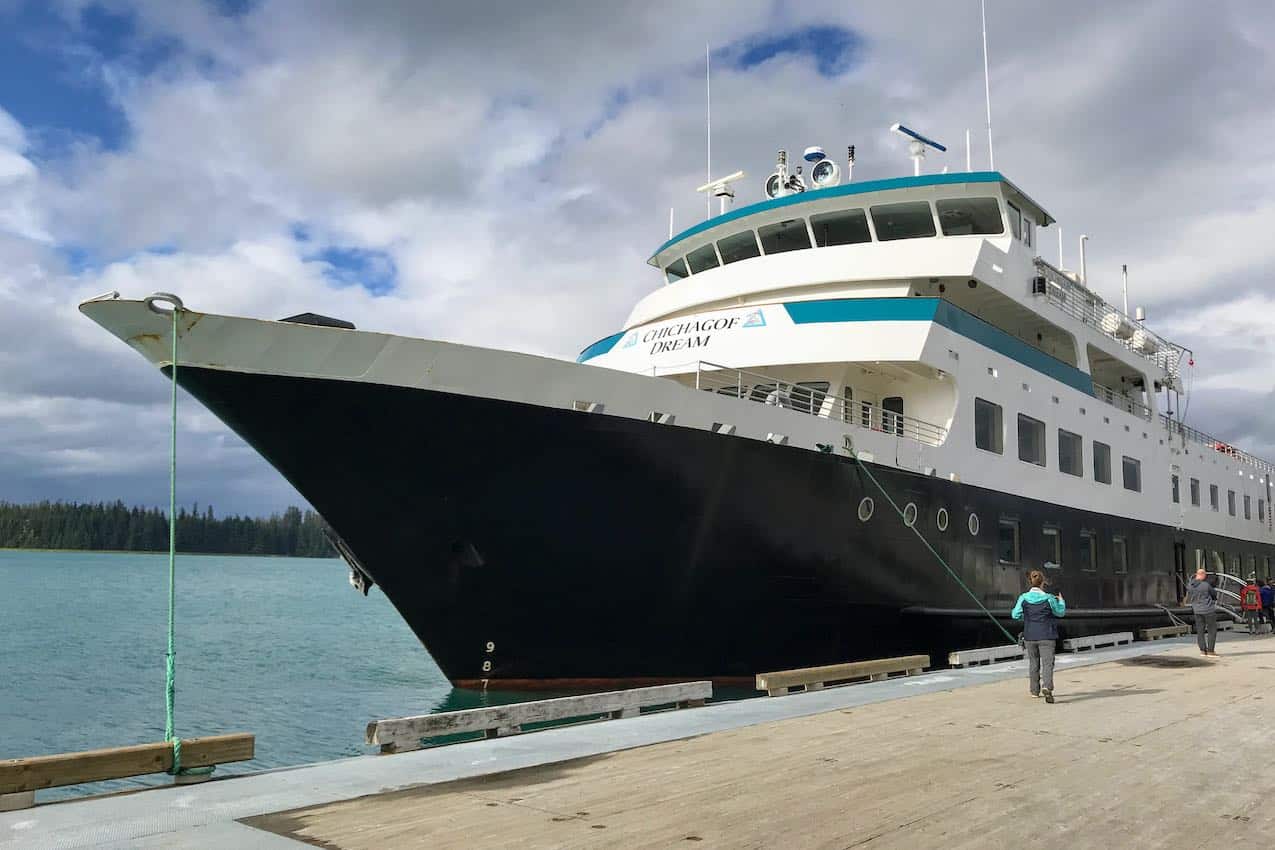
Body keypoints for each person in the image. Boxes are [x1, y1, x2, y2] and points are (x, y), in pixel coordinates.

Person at [1011, 570, 1066, 703]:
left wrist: (1028, 617)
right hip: (1047, 635)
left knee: (1033, 663)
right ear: (1042, 583)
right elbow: (1060, 613)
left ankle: (1034, 691)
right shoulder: (1049, 598)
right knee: (1047, 664)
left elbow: (1015, 615)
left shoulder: (1023, 598)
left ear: (1031, 582)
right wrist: (1062, 602)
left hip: (1030, 635)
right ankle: (1047, 687)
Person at [1183, 568, 1220, 655]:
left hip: (1197, 611)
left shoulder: (1190, 586)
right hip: (1208, 610)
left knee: (1200, 631)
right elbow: (1214, 594)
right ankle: (1211, 651)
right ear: (1203, 575)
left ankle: (1202, 650)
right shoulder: (1206, 585)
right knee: (1212, 630)